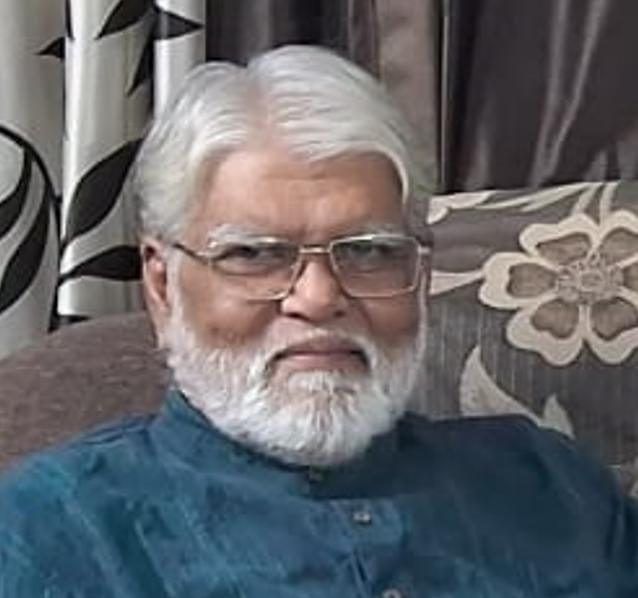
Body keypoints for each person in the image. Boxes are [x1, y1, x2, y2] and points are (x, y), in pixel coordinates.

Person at [0, 45, 636, 597]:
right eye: (254, 254)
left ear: (421, 276)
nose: (318, 297)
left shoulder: (550, 487)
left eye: (369, 251)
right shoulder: (53, 530)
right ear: (163, 285)